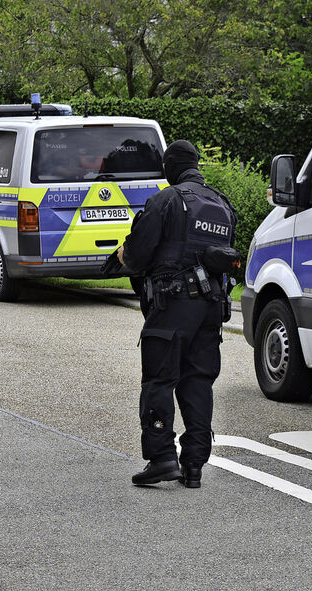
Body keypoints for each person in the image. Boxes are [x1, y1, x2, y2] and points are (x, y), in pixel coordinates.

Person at [117, 140, 238, 489]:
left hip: (173, 304)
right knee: (198, 382)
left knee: (159, 380)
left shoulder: (166, 201)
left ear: (171, 167)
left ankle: (162, 457)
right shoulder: (222, 204)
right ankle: (194, 465)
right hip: (211, 308)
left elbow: (137, 256)